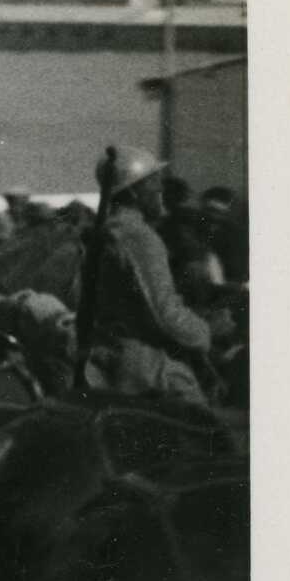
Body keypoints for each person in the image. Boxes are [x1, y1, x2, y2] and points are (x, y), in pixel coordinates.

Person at [77, 145, 217, 403]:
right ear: (133, 192)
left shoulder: (106, 231)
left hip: (110, 355)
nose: (160, 189)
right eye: (153, 182)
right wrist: (206, 333)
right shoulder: (138, 236)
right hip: (146, 365)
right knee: (207, 424)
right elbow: (166, 315)